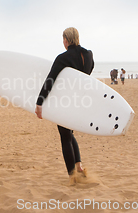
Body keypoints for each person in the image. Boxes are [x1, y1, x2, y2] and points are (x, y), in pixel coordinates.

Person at [35, 27, 94, 184]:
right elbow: (88, 75)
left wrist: (39, 102)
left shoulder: (63, 58)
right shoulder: (88, 55)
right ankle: (79, 166)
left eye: (63, 40)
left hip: (66, 101)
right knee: (69, 133)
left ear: (66, 40)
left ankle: (72, 175)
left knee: (65, 136)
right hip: (80, 101)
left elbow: (50, 80)